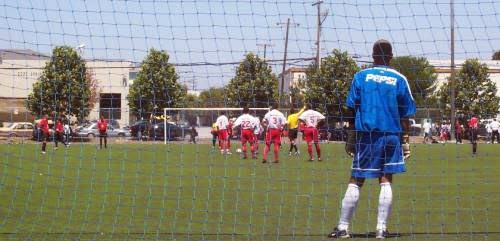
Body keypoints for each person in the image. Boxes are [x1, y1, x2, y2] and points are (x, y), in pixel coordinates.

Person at [328, 39, 416, 239]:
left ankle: (342, 227)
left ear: (373, 56)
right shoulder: (400, 78)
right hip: (391, 135)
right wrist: (405, 140)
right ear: (391, 56)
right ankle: (381, 229)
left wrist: (351, 135)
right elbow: (405, 115)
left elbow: (351, 107)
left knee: (357, 178)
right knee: (385, 179)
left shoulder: (361, 76)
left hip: (367, 135)